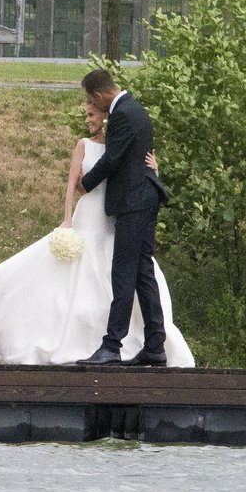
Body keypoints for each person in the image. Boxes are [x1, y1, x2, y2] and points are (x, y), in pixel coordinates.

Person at [0, 100, 194, 367]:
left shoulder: (120, 147)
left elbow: (134, 175)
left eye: (92, 115)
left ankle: (124, 342)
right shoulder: (84, 145)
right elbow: (72, 185)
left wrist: (153, 170)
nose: (88, 120)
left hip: (114, 218)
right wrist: (67, 219)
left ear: (105, 117)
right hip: (89, 214)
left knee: (119, 276)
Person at [76, 69, 172, 366]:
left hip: (133, 202)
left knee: (124, 272)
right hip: (144, 199)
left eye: (91, 100)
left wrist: (85, 183)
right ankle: (155, 344)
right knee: (142, 271)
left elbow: (113, 158)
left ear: (98, 96)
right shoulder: (136, 109)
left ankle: (112, 345)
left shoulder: (123, 114)